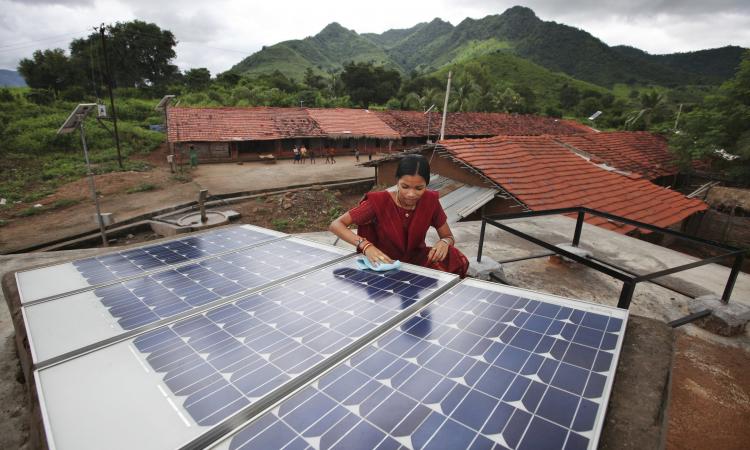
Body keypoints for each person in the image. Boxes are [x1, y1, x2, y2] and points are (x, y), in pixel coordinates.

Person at [329, 154, 469, 277]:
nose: (411, 194)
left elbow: (448, 237)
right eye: (405, 186)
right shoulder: (378, 202)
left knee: (453, 256)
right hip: (384, 262)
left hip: (417, 261)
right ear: (397, 181)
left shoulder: (430, 201)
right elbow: (336, 225)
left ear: (427, 184)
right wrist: (366, 246)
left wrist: (444, 243)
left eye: (419, 188)